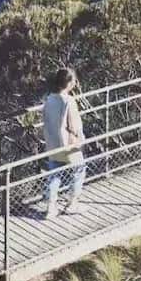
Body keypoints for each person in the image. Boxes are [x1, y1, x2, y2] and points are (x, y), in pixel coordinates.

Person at [39, 67, 86, 218]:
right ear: (70, 83)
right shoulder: (69, 101)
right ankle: (72, 203)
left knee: (54, 175)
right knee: (79, 170)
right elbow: (74, 126)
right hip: (69, 144)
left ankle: (51, 208)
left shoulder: (49, 99)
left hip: (53, 143)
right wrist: (81, 137)